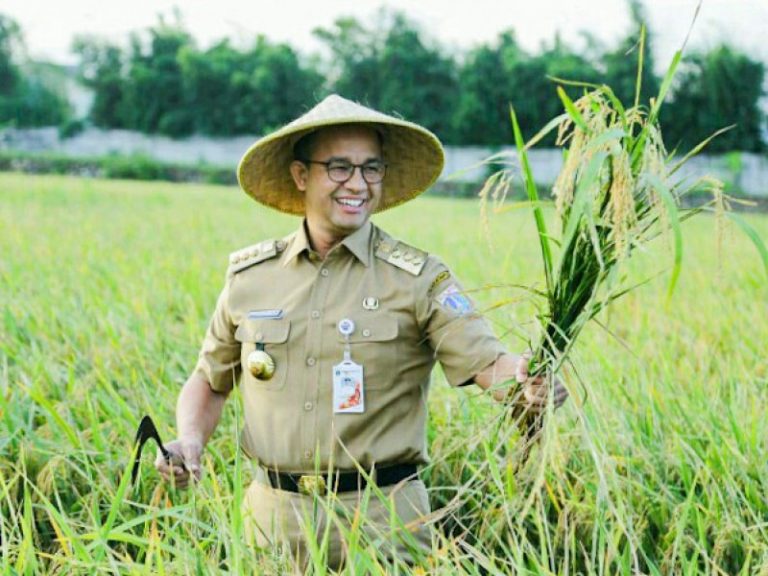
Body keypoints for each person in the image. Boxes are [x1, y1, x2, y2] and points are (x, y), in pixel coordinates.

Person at [155, 94, 568, 568]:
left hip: (383, 523)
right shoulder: (252, 277)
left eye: (371, 169)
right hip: (269, 523)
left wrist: (525, 381)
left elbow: (488, 363)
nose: (358, 184)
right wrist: (189, 440)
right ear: (300, 175)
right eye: (339, 168)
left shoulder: (418, 278)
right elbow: (209, 380)